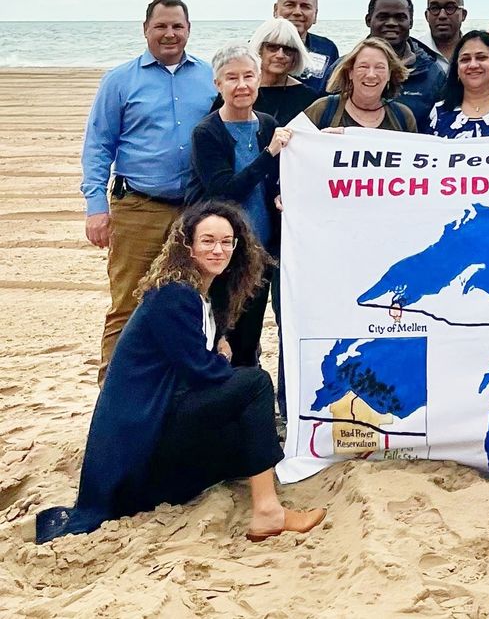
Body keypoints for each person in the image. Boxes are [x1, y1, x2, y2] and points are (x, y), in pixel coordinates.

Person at [35, 201, 325, 544]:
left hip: (160, 427)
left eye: (227, 241)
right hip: (139, 451)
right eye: (207, 241)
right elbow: (201, 373)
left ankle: (262, 498)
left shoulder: (200, 295)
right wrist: (220, 355)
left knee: (244, 426)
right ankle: (268, 511)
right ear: (186, 245)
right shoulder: (173, 296)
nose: (218, 249)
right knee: (255, 384)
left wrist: (219, 353)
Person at [82, 0, 218, 386]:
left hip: (195, 211)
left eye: (177, 26)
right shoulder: (120, 81)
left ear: (189, 30)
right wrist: (96, 207)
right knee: (128, 303)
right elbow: (98, 146)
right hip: (138, 207)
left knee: (193, 303)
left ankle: (180, 393)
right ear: (145, 30)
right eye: (161, 26)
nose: (170, 34)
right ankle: (114, 395)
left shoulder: (209, 78)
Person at [190, 43, 290, 373]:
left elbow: (275, 180)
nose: (242, 85)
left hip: (261, 252)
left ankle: (246, 412)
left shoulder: (266, 124)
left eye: (249, 76)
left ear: (259, 80)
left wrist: (280, 195)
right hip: (223, 255)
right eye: (231, 78)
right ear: (217, 84)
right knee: (220, 337)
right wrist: (268, 155)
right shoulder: (207, 132)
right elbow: (223, 193)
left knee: (249, 341)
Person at [349, 0, 445, 131]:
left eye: (400, 17)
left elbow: (441, 127)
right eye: (383, 17)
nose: (391, 23)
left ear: (411, 22)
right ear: (369, 20)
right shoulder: (345, 68)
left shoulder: (433, 75)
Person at [210, 18, 318, 126]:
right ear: (259, 49)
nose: (280, 55)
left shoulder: (307, 98)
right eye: (272, 47)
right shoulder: (236, 91)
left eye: (288, 49)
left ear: (296, 56)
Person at [306, 38, 420, 132]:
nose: (371, 75)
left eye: (380, 67)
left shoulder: (403, 117)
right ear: (350, 72)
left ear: (389, 74)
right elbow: (294, 145)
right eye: (363, 66)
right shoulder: (322, 109)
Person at [273, 0, 338, 93]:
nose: (297, 12)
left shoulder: (327, 48)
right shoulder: (257, 47)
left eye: (305, 6)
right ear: (275, 10)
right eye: (290, 5)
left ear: (315, 15)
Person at [425, 0, 467, 72]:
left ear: (463, 14)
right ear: (426, 15)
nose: (442, 15)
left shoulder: (473, 53)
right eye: (435, 8)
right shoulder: (414, 52)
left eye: (450, 7)